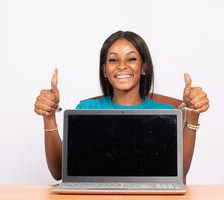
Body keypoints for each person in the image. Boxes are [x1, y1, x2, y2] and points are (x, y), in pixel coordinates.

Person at [34, 31, 209, 183]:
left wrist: (193, 114)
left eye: (131, 59)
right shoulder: (87, 108)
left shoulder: (167, 113)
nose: (122, 66)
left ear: (144, 67)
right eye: (113, 60)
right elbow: (58, 172)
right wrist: (48, 117)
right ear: (104, 70)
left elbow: (180, 174)